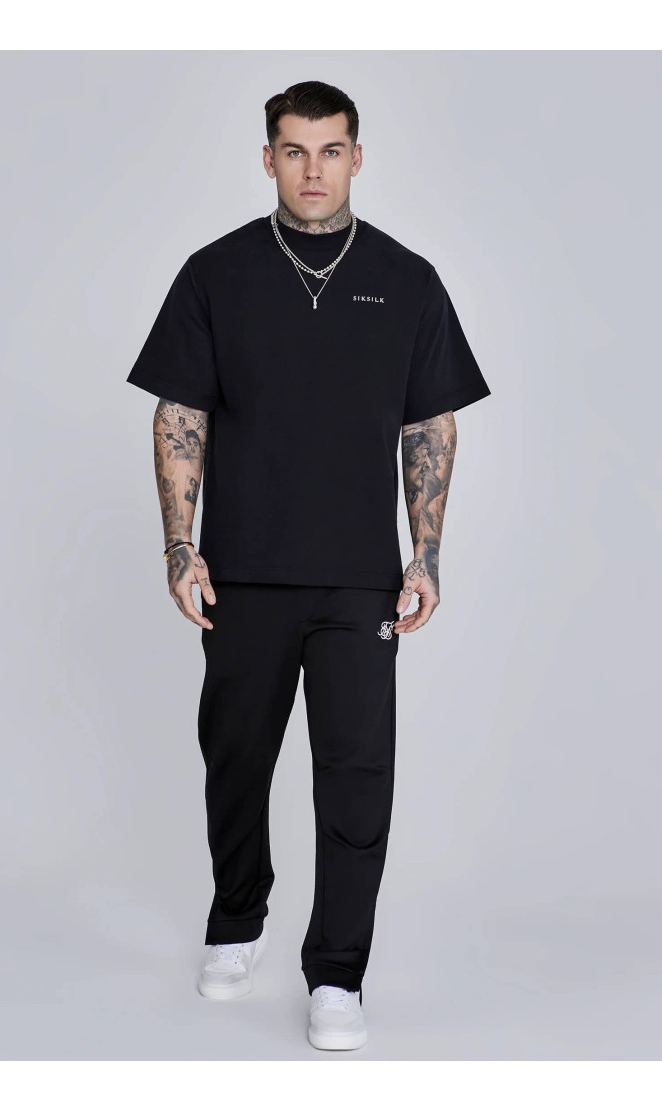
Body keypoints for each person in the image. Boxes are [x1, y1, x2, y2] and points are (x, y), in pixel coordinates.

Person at [126, 79, 491, 1052]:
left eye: (331, 150)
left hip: (359, 577)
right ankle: (237, 916)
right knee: (236, 760)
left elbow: (430, 424)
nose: (313, 169)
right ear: (268, 159)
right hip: (242, 572)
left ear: (357, 157)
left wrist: (426, 556)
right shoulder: (216, 273)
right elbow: (179, 413)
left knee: (357, 774)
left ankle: (337, 972)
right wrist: (179, 544)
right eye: (294, 150)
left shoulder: (407, 279)